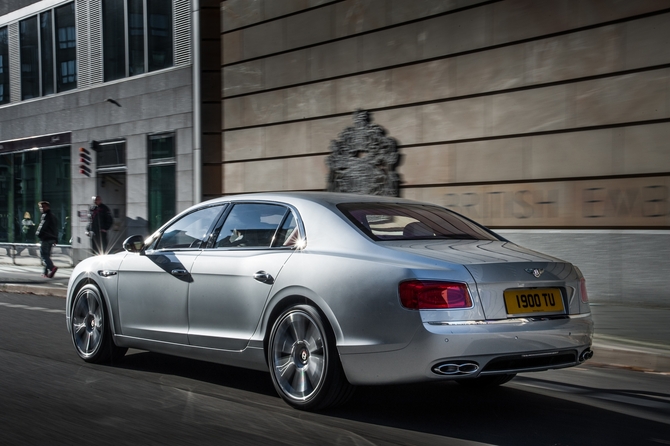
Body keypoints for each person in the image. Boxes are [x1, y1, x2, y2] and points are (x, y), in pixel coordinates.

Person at [36, 201, 59, 278]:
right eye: (41, 207)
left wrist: (38, 234)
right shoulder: (53, 216)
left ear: (48, 207)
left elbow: (42, 226)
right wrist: (56, 238)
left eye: (43, 207)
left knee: (44, 255)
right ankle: (45, 272)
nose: (42, 208)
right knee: (47, 255)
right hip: (52, 238)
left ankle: (52, 268)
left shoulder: (46, 216)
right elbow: (56, 229)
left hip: (46, 238)